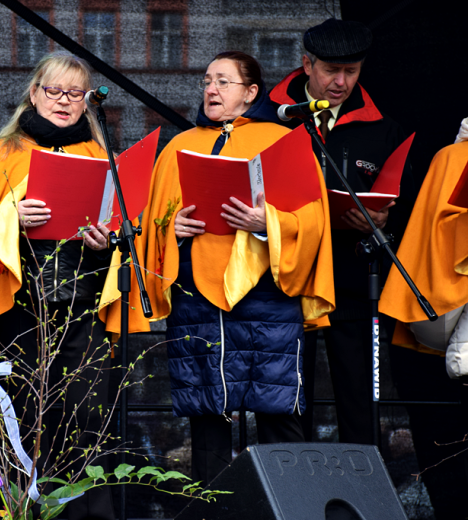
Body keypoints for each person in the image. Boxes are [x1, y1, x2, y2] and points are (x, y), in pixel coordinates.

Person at [133, 51, 334, 484]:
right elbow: (151, 226)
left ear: (251, 92)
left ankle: (291, 511)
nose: (211, 89)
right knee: (207, 421)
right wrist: (174, 228)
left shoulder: (283, 139)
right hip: (198, 301)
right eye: (207, 80)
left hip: (267, 298)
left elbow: (315, 220)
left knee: (277, 414)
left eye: (223, 81)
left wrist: (269, 224)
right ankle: (213, 513)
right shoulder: (178, 146)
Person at [0, 51, 115, 520]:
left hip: (82, 308)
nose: (63, 100)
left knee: (85, 416)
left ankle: (86, 516)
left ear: (86, 101)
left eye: (74, 93)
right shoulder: (0, 155)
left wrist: (105, 240)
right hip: (18, 309)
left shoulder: (102, 157)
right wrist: (8, 217)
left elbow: (122, 233)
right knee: (20, 419)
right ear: (34, 95)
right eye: (53, 90)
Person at [269, 18, 416, 445]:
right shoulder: (269, 121)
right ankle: (293, 497)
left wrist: (385, 219)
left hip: (353, 280)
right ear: (306, 64)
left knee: (358, 399)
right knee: (290, 399)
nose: (341, 82)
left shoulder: (383, 128)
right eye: (331, 70)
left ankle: (363, 496)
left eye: (351, 71)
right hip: (287, 283)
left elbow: (404, 204)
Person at [379, 126, 468, 518]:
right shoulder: (450, 161)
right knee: (443, 436)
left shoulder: (448, 159)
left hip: (434, 327)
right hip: (439, 330)